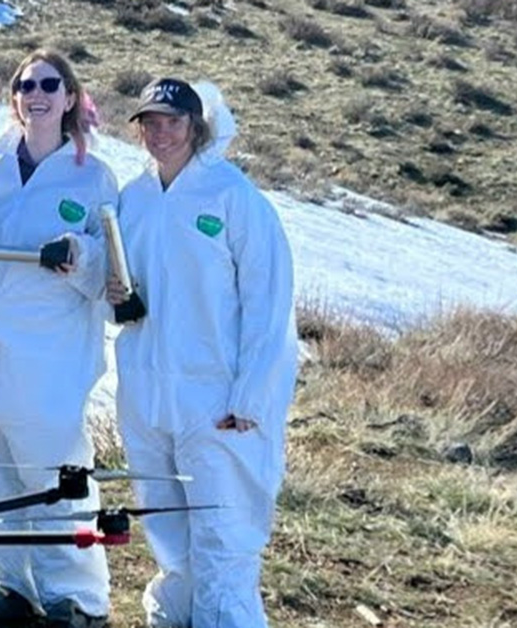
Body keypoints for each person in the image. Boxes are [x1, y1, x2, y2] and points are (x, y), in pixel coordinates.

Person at [106, 78, 298, 628]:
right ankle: (176, 614)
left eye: (173, 121)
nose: (161, 133)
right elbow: (119, 282)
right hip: (147, 391)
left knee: (223, 529)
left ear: (197, 126)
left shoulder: (233, 198)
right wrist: (113, 291)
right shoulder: (134, 197)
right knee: (167, 524)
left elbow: (269, 309)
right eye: (150, 122)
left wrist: (252, 398)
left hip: (216, 397)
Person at [0, 50, 115, 628]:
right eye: (25, 84)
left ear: (69, 97)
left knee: (54, 472)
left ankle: (77, 597)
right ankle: (10, 584)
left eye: (49, 84)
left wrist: (80, 256)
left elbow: (111, 265)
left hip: (50, 352)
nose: (36, 93)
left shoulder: (94, 176)